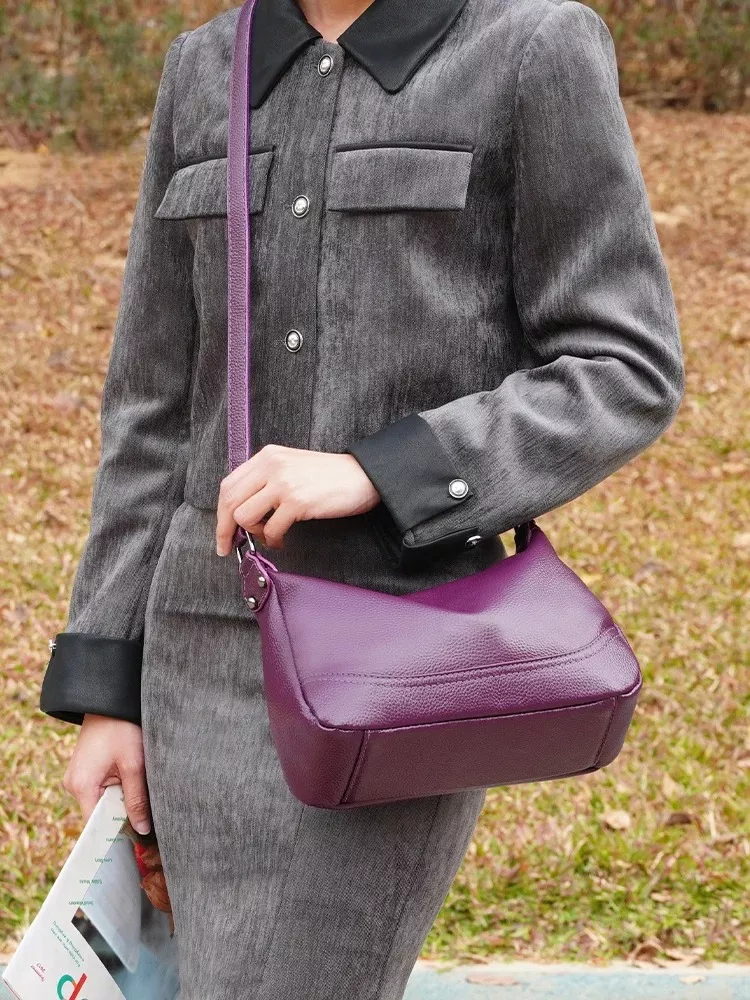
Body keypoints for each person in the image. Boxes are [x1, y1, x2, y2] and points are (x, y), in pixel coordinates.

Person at [38, 0, 685, 995]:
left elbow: (622, 365)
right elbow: (153, 410)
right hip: (197, 656)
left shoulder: (529, 49)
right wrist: (107, 690)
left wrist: (381, 470)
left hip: (402, 659)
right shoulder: (204, 67)